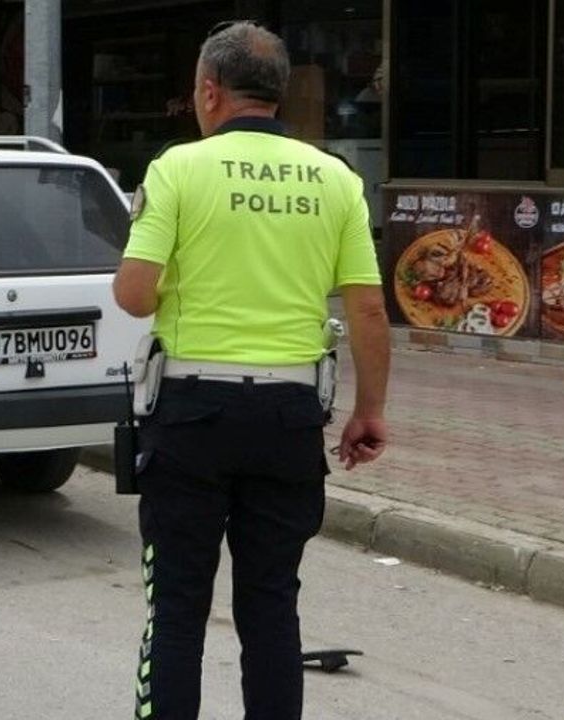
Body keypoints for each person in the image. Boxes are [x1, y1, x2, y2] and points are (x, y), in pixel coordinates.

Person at [112, 21, 390, 720]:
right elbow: (367, 310)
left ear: (210, 92)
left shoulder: (178, 169)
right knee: (271, 606)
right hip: (289, 418)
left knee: (177, 606)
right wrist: (369, 412)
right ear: (277, 93)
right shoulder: (337, 179)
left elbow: (135, 295)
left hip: (190, 415)